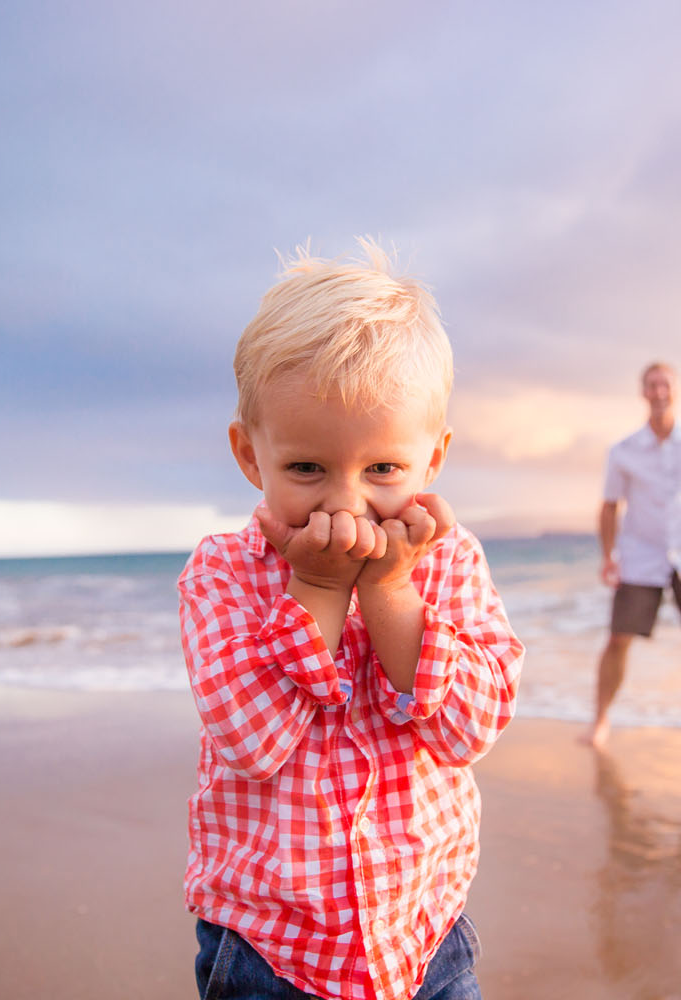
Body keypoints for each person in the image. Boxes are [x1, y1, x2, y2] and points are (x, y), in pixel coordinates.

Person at [178, 240, 524, 1000]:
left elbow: (470, 730)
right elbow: (253, 741)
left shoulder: (449, 560)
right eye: (307, 468)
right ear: (250, 455)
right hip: (271, 955)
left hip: (427, 938)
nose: (346, 502)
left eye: (382, 470)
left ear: (431, 458)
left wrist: (393, 592)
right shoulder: (221, 574)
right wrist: (316, 587)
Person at [586, 362, 681, 748]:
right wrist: (609, 556)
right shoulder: (623, 451)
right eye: (651, 385)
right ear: (643, 392)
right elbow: (609, 507)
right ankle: (600, 722)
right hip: (640, 557)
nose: (658, 392)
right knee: (618, 638)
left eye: (664, 384)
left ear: (676, 390)